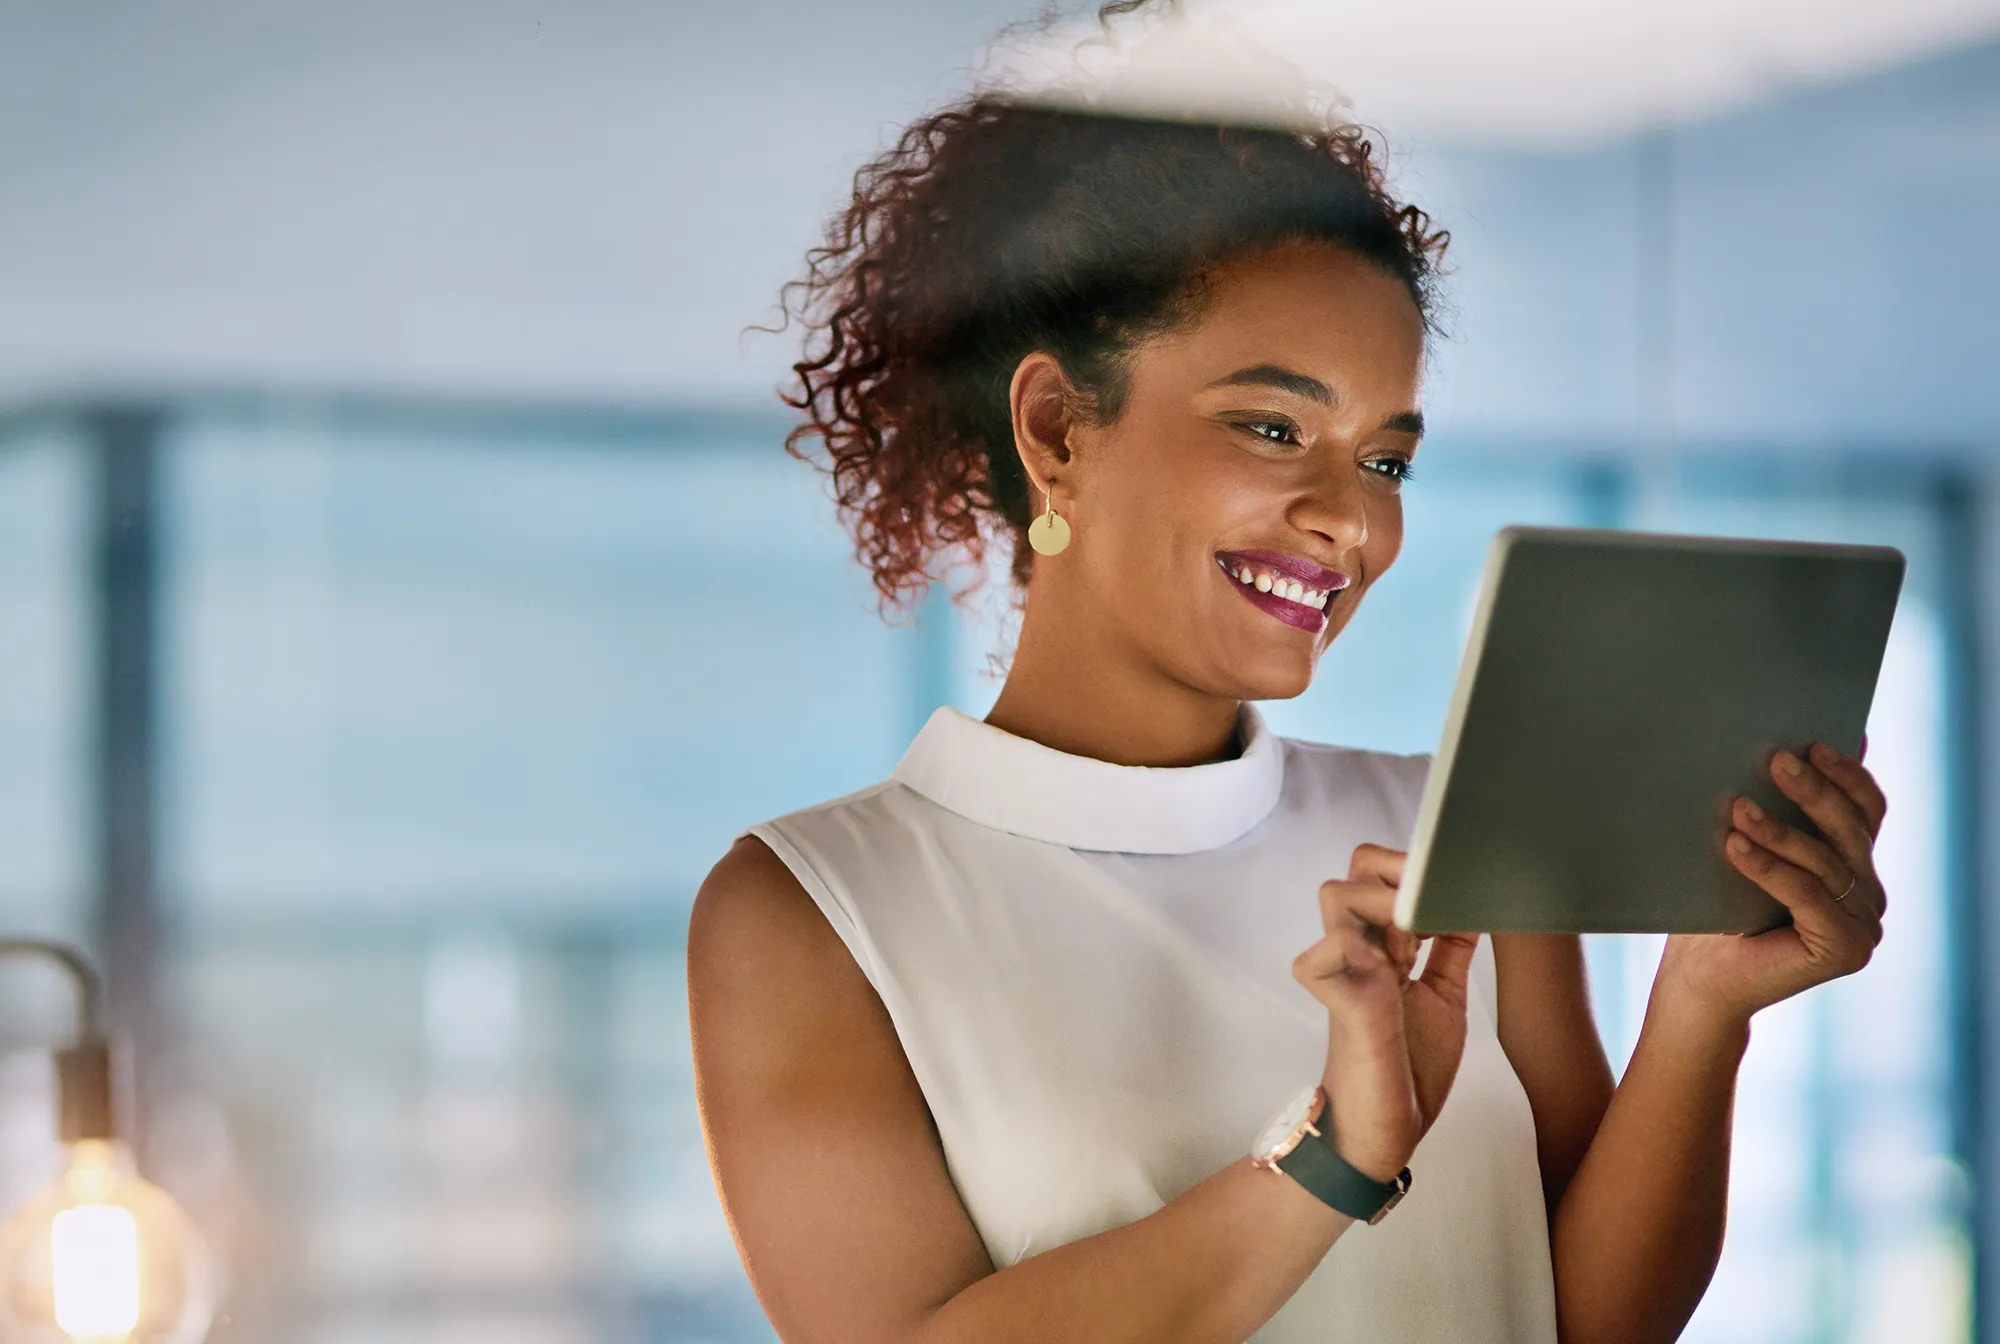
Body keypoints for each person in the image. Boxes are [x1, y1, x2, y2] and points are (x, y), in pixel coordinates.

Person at [685, 70, 1891, 1344]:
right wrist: (1335, 1160)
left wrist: (1701, 1007)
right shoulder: (810, 911)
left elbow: (1584, 1320)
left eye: (1385, 459)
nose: (1353, 520)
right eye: (1270, 428)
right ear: (1053, 431)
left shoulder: (1450, 831)